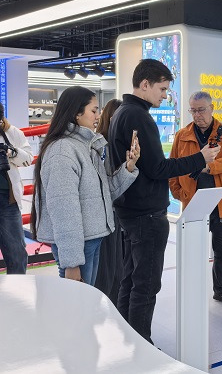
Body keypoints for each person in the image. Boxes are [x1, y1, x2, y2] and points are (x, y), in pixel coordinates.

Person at [108, 59, 220, 344]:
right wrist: (200, 158)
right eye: (162, 89)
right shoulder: (138, 116)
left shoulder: (122, 112)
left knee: (131, 279)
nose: (165, 95)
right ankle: (140, 344)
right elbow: (157, 168)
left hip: (130, 211)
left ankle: (127, 339)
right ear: (145, 84)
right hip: (145, 214)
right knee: (145, 285)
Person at [32, 87, 139, 285]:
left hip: (91, 238)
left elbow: (105, 193)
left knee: (85, 298)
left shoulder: (86, 145)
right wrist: (72, 263)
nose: (98, 116)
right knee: (76, 301)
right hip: (79, 245)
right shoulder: (63, 151)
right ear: (77, 113)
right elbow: (64, 211)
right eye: (94, 110)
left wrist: (128, 167)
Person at [169, 91, 222, 306]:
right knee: (192, 252)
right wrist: (178, 192)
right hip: (193, 203)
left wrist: (207, 167)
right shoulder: (182, 135)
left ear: (212, 108)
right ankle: (191, 295)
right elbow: (173, 165)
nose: (197, 115)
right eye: (193, 110)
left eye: (201, 110)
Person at [94, 98, 123, 304]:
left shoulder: (116, 143)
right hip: (106, 214)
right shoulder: (100, 145)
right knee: (107, 272)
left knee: (117, 269)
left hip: (118, 213)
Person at [0, 102, 33, 274]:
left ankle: (17, 287)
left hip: (8, 200)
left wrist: (11, 152)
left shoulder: (12, 133)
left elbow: (28, 159)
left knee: (17, 254)